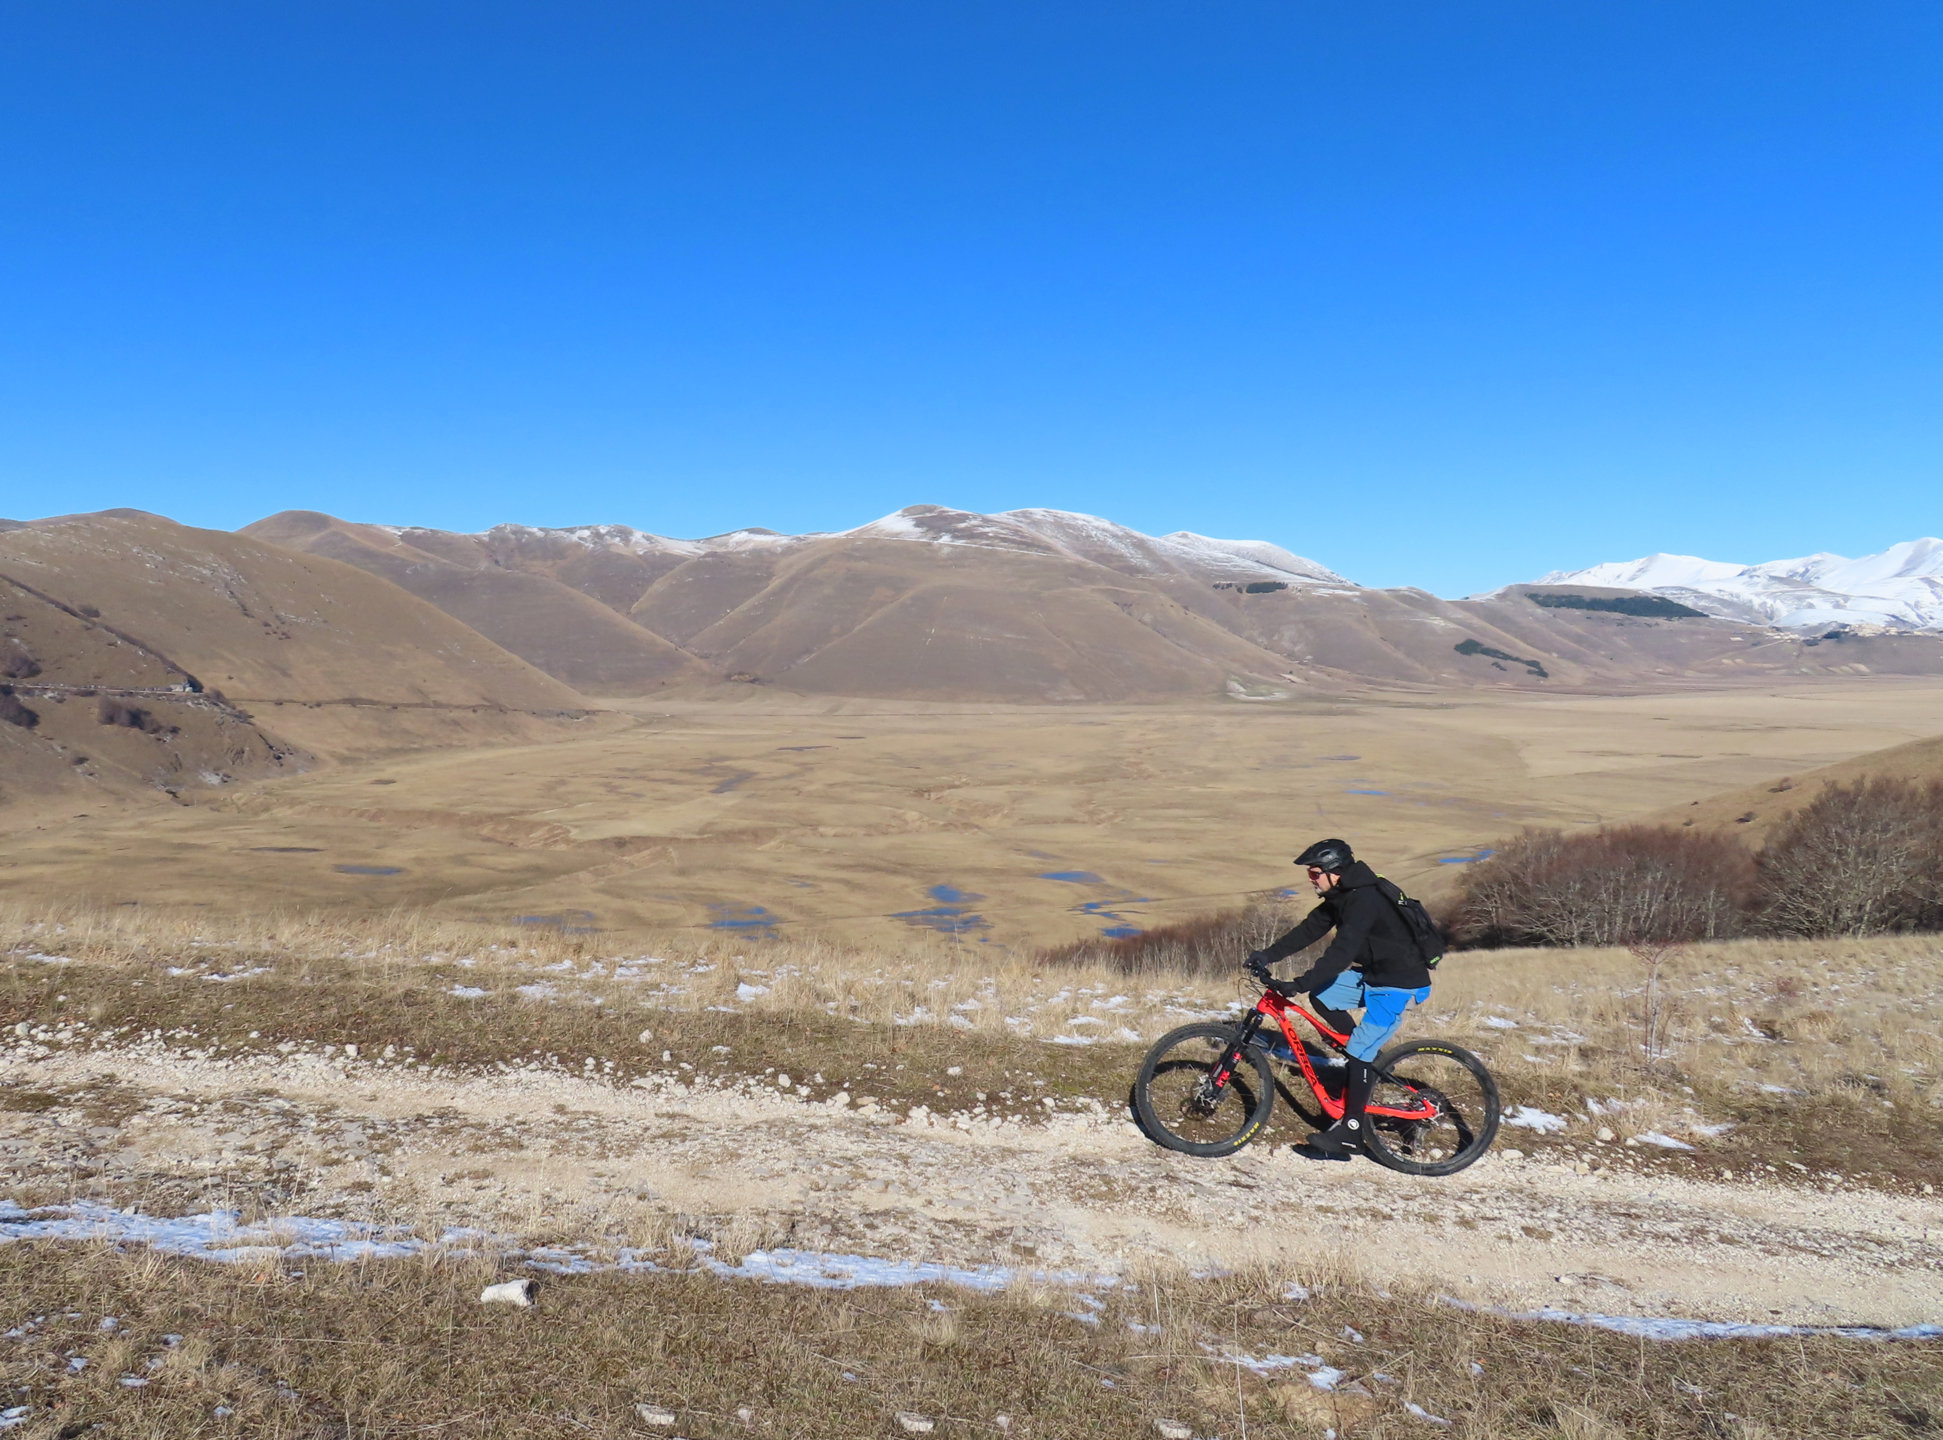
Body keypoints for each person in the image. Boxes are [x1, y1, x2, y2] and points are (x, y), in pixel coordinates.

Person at [1244, 838, 1432, 1161]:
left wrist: (1298, 984)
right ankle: (1364, 1064)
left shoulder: (1365, 900)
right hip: (1375, 975)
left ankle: (1351, 1134)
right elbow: (1308, 930)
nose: (1311, 879)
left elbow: (1340, 953)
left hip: (1398, 983)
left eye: (1314, 873)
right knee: (1324, 995)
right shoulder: (1341, 894)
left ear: (1334, 872)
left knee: (1358, 1047)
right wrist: (1267, 954)